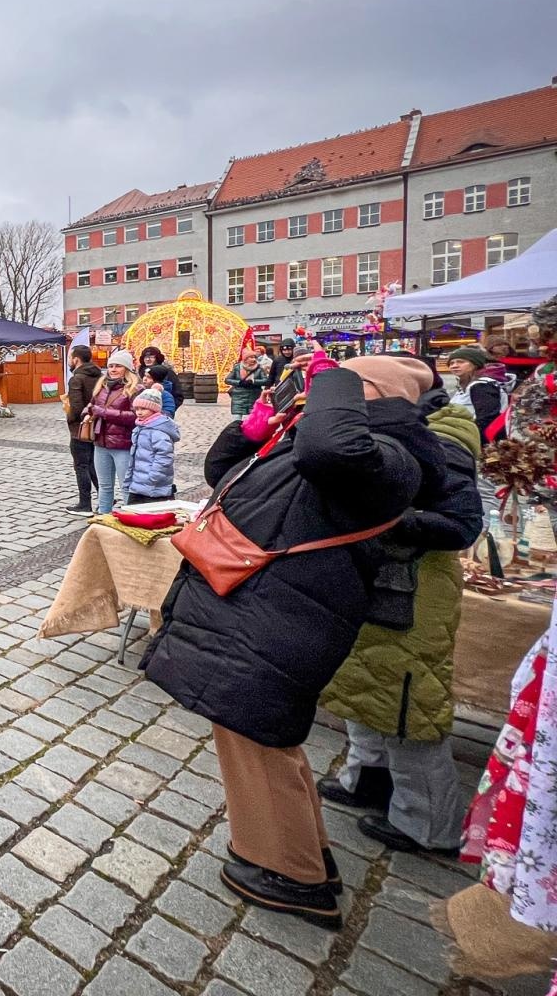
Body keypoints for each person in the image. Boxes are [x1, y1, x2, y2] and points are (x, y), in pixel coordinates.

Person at [141, 353, 439, 931]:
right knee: (261, 740)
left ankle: (289, 874)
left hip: (279, 619)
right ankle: (306, 855)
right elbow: (223, 469)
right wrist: (257, 421)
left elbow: (330, 447)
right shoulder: (317, 444)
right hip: (257, 612)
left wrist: (335, 380)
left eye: (336, 390)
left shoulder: (392, 459)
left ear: (361, 399)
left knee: (259, 741)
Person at [318, 376, 482, 853]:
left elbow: (461, 523)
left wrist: (383, 518)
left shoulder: (443, 441)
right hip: (372, 582)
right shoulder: (366, 434)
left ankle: (428, 825)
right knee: (363, 689)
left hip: (414, 591)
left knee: (410, 708)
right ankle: (365, 779)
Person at [84, 349, 137, 515]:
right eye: (111, 366)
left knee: (126, 486)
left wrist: (103, 413)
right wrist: (86, 414)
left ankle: (131, 519)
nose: (113, 369)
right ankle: (103, 518)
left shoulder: (135, 389)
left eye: (118, 366)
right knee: (104, 485)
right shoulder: (102, 386)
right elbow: (91, 406)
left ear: (127, 369)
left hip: (123, 444)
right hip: (101, 443)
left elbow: (136, 416)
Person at [64, 344, 102, 514]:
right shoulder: (100, 376)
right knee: (94, 464)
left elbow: (77, 407)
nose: (69, 362)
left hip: (80, 429)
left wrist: (69, 416)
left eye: (70, 358)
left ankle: (84, 504)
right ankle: (104, 497)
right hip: (97, 425)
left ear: (76, 359)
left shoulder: (76, 379)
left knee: (81, 465)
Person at [125, 387, 179, 503]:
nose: (139, 412)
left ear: (154, 410)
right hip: (138, 483)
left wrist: (153, 477)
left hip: (153, 486)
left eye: (143, 409)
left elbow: (164, 457)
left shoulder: (158, 432)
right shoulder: (140, 428)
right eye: (137, 409)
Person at [448, 346, 509, 443]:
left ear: (475, 364)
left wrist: (469, 440)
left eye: (461, 362)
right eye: (451, 363)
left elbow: (487, 418)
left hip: (481, 441)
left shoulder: (482, 386)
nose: (454, 365)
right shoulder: (466, 386)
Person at [226, 342, 272, 417]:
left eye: (254, 357)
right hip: (239, 397)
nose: (253, 359)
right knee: (237, 419)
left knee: (251, 419)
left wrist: (254, 381)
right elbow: (227, 380)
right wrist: (239, 382)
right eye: (251, 357)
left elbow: (266, 381)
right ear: (245, 359)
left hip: (253, 396)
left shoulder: (259, 368)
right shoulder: (237, 368)